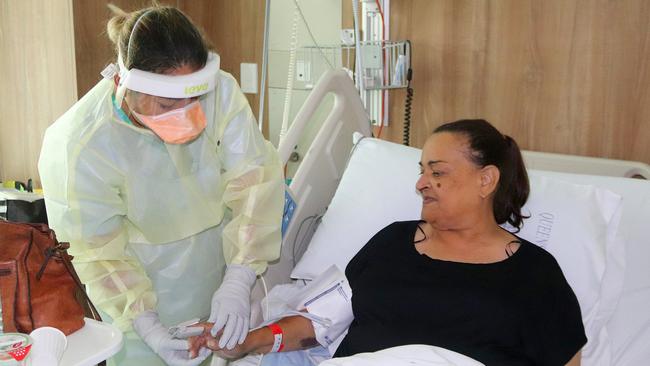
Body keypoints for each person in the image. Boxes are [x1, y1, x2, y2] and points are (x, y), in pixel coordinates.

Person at [184, 119, 587, 366]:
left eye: (438, 172)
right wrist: (242, 342)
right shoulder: (393, 242)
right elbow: (320, 322)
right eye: (421, 170)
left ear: (487, 180)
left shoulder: (534, 273)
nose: (421, 183)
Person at [38, 4, 284, 366]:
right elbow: (98, 254)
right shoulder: (79, 145)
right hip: (139, 293)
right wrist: (147, 327)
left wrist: (239, 278)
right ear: (123, 84)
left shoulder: (221, 92)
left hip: (217, 269)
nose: (188, 113)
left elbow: (255, 182)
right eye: (169, 103)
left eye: (195, 99)